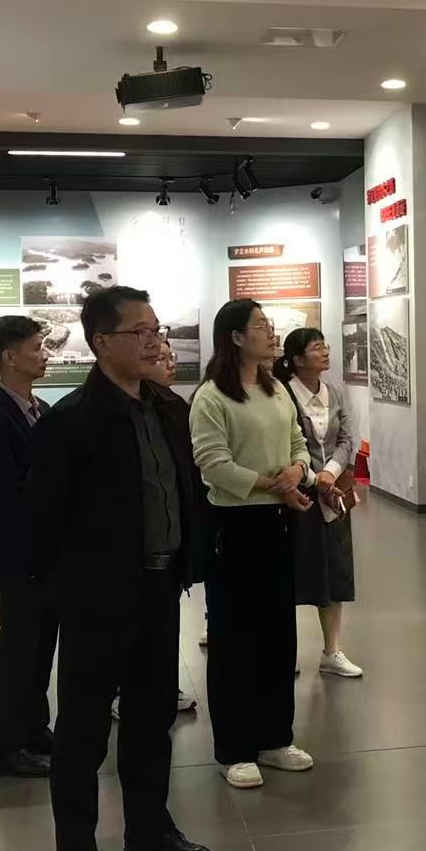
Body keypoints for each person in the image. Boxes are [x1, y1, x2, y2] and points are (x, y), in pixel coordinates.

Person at [25, 286, 215, 851]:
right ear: (102, 342)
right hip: (97, 600)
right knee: (82, 735)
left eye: (157, 329)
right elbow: (43, 522)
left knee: (151, 717)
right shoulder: (71, 421)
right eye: (140, 332)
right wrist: (68, 595)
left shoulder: (167, 407)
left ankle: (149, 831)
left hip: (160, 588)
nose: (154, 341)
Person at [190, 299, 315, 790]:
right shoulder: (211, 397)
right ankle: (235, 748)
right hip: (234, 525)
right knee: (234, 638)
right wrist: (272, 484)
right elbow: (212, 464)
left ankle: (275, 737)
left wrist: (298, 471)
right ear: (236, 337)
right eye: (261, 326)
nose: (270, 332)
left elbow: (298, 442)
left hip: (278, 522)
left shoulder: (275, 387)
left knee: (278, 633)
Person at [0, 315, 58, 777]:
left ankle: (35, 730)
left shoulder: (40, 408)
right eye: (37, 347)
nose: (45, 355)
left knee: (40, 648)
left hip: (47, 551)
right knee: (18, 649)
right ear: (9, 356)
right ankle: (5, 745)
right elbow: (9, 493)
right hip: (18, 552)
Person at [273, 328, 364, 678]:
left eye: (325, 345)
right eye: (316, 347)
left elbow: (346, 438)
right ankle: (286, 651)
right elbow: (285, 444)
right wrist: (315, 479)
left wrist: (330, 473)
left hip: (334, 491)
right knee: (293, 571)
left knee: (335, 571)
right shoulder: (282, 394)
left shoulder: (333, 391)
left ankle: (332, 650)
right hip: (297, 494)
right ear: (296, 359)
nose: (325, 351)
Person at [147, 334, 199, 714]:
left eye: (171, 356)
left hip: (172, 538)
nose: (170, 364)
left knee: (164, 623)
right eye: (161, 357)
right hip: (137, 547)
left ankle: (164, 686)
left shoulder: (174, 407)